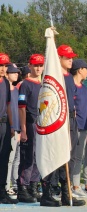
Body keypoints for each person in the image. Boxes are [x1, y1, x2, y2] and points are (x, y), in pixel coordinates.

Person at [39, 45, 85, 207]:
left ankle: (67, 193)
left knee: (70, 157)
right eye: (67, 57)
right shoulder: (54, 76)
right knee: (54, 155)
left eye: (71, 57)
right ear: (58, 58)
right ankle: (47, 193)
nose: (71, 60)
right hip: (58, 120)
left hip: (71, 121)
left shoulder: (69, 77)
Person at [17, 54, 45, 203]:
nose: (38, 68)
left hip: (41, 124)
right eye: (35, 65)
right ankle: (23, 187)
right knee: (27, 157)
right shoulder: (25, 84)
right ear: (30, 66)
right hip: (29, 123)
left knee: (37, 157)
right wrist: (23, 129)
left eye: (40, 65)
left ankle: (34, 186)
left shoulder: (43, 84)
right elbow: (21, 108)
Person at [70, 59, 87, 198]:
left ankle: (76, 185)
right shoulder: (71, 86)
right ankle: (67, 185)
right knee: (71, 156)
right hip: (73, 126)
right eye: (86, 69)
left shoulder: (83, 87)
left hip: (84, 126)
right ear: (79, 70)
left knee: (79, 157)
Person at [0, 53, 18, 204]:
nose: (3, 68)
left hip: (4, 123)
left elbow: (8, 106)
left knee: (4, 157)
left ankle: (2, 191)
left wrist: (12, 125)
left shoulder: (5, 83)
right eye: (1, 65)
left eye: (5, 66)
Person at [5, 63, 21, 196]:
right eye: (13, 72)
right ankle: (6, 185)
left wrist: (19, 129)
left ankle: (14, 184)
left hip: (17, 128)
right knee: (9, 159)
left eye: (17, 72)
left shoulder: (16, 90)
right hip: (8, 128)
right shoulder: (5, 89)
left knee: (16, 159)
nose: (16, 74)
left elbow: (19, 110)